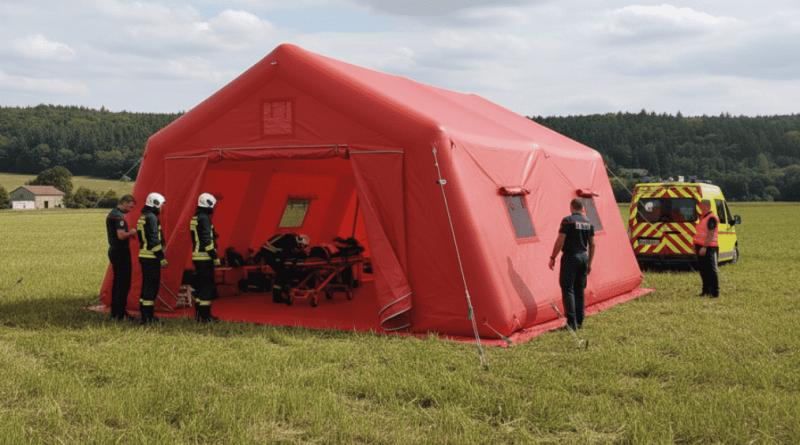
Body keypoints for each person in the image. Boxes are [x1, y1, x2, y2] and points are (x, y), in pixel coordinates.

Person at [549, 198, 595, 330]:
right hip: (583, 257)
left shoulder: (567, 220)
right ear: (582, 208)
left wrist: (553, 257)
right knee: (579, 290)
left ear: (572, 207)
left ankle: (571, 323)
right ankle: (580, 321)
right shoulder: (589, 222)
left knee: (568, 289)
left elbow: (560, 241)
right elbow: (592, 244)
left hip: (570, 257)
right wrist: (589, 263)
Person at [136, 192, 167, 325]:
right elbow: (153, 240)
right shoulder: (152, 218)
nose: (161, 208)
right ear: (155, 204)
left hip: (144, 255)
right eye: (160, 205)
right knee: (151, 287)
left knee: (146, 286)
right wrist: (161, 257)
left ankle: (145, 316)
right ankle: (149, 318)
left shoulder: (144, 217)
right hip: (151, 257)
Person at [106, 194, 137, 321]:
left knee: (118, 282)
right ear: (125, 202)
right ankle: (120, 312)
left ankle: (116, 311)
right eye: (130, 206)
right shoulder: (119, 216)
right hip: (120, 251)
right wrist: (131, 233)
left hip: (114, 250)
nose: (130, 210)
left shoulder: (112, 213)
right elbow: (121, 235)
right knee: (123, 283)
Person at [190, 193, 220, 322]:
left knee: (200, 286)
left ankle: (198, 315)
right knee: (207, 286)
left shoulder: (195, 217)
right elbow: (207, 241)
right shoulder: (205, 218)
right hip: (205, 257)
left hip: (196, 256)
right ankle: (205, 316)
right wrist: (215, 256)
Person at [257, 233, 310, 303]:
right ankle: (277, 297)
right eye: (303, 245)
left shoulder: (291, 238)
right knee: (281, 272)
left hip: (270, 251)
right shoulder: (290, 241)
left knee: (282, 272)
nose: (301, 247)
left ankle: (283, 289)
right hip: (269, 252)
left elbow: (285, 252)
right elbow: (285, 253)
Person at [694, 199, 720, 298]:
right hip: (701, 247)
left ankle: (714, 292)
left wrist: (704, 247)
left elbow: (710, 234)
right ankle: (706, 291)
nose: (699, 208)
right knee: (703, 270)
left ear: (706, 206)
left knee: (711, 270)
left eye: (701, 206)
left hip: (709, 247)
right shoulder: (703, 217)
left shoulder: (712, 218)